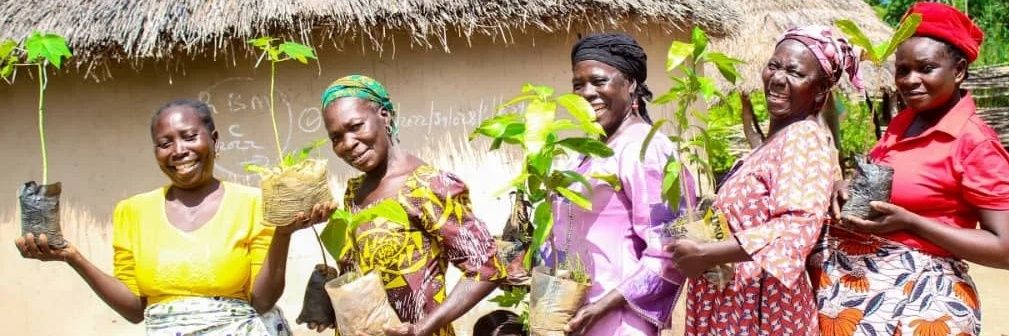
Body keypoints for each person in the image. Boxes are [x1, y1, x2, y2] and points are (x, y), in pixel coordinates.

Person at [13, 99, 326, 335]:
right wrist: (73, 257)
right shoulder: (132, 211)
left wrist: (282, 234)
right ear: (156, 152)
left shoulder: (253, 203)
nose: (178, 150)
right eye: (165, 143)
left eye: (189, 137)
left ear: (214, 141)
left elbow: (261, 300)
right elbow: (135, 310)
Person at [813, 3, 1009, 335]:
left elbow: (1004, 248)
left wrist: (912, 223)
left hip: (922, 303)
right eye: (902, 70)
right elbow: (887, 181)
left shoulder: (974, 142)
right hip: (864, 295)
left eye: (926, 68)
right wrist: (846, 186)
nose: (910, 80)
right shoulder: (903, 123)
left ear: (958, 70)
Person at [667, 26, 857, 335]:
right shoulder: (771, 143)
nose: (778, 79)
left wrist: (706, 254)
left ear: (820, 92)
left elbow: (796, 227)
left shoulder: (803, 137)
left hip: (762, 312)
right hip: (738, 303)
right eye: (774, 65)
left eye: (794, 73)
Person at [317, 75, 506, 336]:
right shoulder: (353, 194)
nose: (348, 144)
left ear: (384, 116)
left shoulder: (427, 187)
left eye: (356, 126)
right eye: (336, 137)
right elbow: (360, 274)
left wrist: (421, 328)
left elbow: (487, 267)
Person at [543, 32, 691, 336]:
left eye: (599, 82)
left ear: (631, 84)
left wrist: (601, 307)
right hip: (573, 314)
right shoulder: (589, 151)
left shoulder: (644, 148)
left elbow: (668, 250)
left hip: (618, 320)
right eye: (578, 85)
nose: (587, 93)